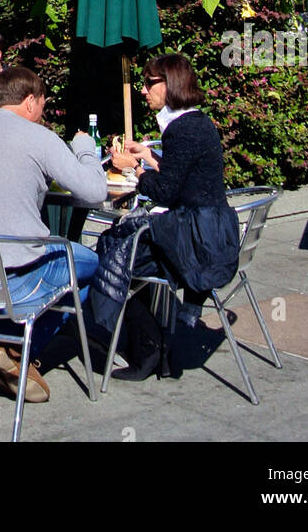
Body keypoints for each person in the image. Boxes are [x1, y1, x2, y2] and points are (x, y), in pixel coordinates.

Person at [0, 66, 107, 405]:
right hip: (14, 277)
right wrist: (86, 149)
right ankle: (16, 348)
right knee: (93, 264)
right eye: (43, 104)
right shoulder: (40, 137)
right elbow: (93, 192)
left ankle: (9, 347)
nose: (43, 112)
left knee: (72, 271)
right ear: (30, 101)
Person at [94, 54, 240, 376]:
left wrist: (132, 167)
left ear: (170, 84)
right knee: (124, 242)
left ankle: (147, 350)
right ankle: (152, 339)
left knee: (114, 249)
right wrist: (149, 155)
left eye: (149, 83)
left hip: (195, 244)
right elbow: (184, 176)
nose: (144, 90)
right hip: (214, 234)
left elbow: (165, 192)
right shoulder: (197, 122)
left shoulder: (181, 130)